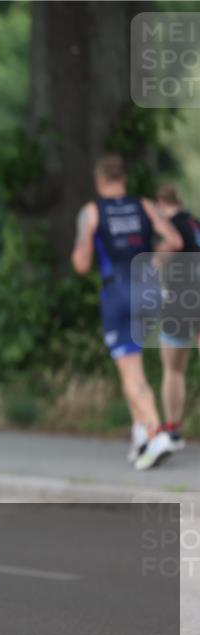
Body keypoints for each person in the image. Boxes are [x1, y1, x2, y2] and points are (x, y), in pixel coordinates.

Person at [71, 155, 183, 470]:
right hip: (149, 288)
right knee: (132, 366)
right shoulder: (145, 206)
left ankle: (156, 432)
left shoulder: (92, 212)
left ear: (98, 180)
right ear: (124, 180)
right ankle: (141, 436)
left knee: (130, 370)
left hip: (118, 291)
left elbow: (81, 264)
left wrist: (85, 248)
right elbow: (174, 240)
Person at [155, 183, 199, 450]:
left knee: (173, 369)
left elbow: (160, 258)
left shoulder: (170, 228)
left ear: (161, 205)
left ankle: (172, 430)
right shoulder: (195, 223)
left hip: (180, 301)